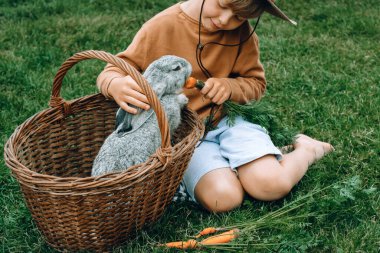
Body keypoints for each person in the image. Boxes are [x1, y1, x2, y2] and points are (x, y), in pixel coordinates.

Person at [97, 0, 334, 212]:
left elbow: (256, 84)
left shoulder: (242, 35)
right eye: (223, 6)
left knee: (271, 185)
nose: (225, 21)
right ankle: (246, 165)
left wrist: (229, 87)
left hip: (230, 122)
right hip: (187, 138)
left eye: (239, 17)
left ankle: (306, 149)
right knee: (223, 199)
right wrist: (115, 84)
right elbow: (115, 68)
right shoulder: (160, 26)